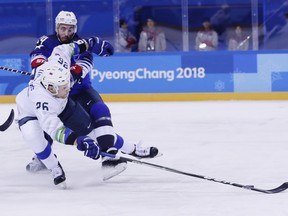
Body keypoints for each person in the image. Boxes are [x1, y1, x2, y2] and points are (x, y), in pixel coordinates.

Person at [27, 11, 159, 179]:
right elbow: (36, 57)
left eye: (70, 29)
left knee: (100, 114)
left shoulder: (79, 43)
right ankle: (43, 158)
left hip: (80, 91)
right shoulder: (47, 41)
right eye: (63, 28)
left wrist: (72, 75)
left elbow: (85, 63)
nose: (66, 33)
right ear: (57, 27)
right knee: (46, 124)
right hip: (55, 95)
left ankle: (109, 157)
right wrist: (40, 71)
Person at [16, 42, 104, 188]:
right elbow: (55, 130)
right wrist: (78, 141)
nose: (68, 89)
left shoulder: (57, 64)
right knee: (34, 138)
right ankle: (54, 167)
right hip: (29, 112)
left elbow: (63, 48)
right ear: (51, 87)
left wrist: (88, 44)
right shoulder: (41, 101)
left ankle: (118, 148)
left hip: (59, 104)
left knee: (90, 129)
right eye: (64, 87)